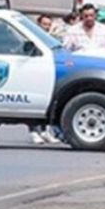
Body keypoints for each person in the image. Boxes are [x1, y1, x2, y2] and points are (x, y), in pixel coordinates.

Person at [28, 14, 61, 144]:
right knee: (33, 104)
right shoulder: (31, 39)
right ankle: (33, 132)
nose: (46, 27)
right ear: (38, 25)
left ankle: (45, 131)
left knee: (48, 105)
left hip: (47, 76)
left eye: (48, 25)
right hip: (34, 75)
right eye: (44, 24)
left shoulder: (50, 40)